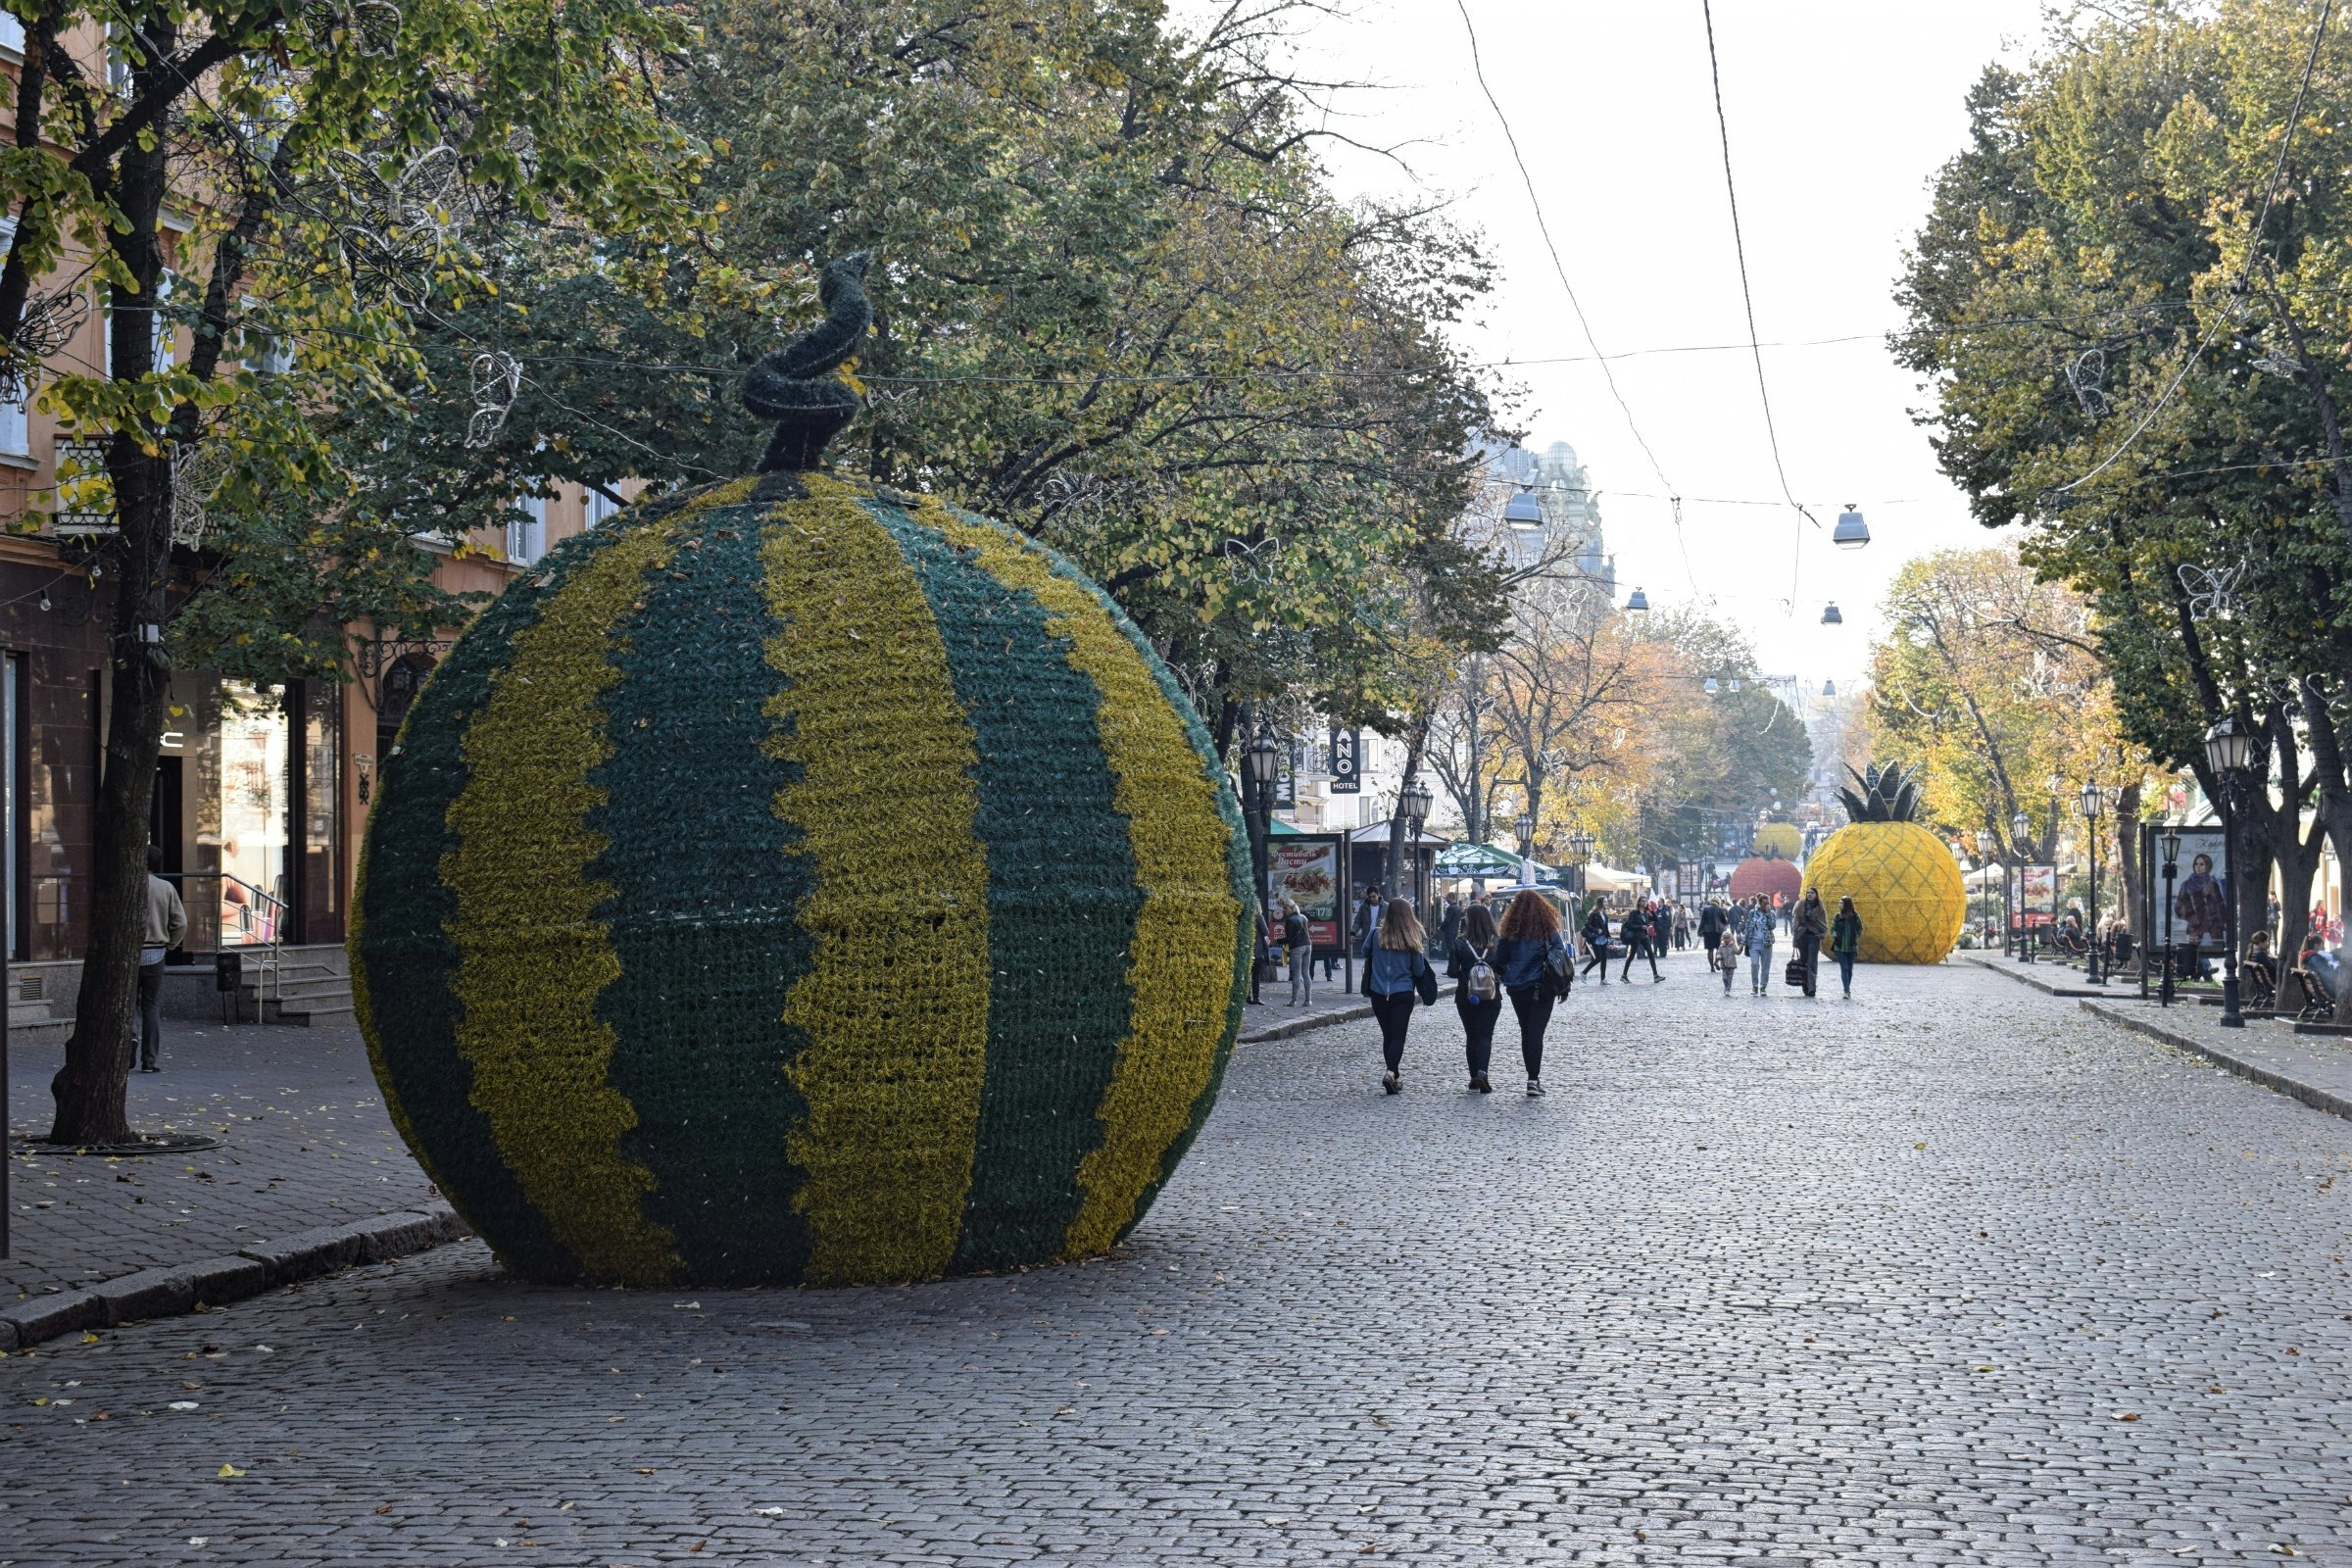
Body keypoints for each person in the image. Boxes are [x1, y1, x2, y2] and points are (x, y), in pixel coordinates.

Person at [1494, 890, 1570, 1096]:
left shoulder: (1510, 931)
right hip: (1542, 986)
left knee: (1526, 1031)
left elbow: (1499, 959)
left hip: (1518, 987)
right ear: (1542, 908)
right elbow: (1559, 957)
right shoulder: (1547, 929)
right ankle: (1532, 1079)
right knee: (1536, 1032)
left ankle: (1532, 1077)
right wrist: (1564, 987)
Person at [1366, 898, 1438, 1094]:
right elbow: (1418, 969)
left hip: (1379, 992)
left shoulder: (1375, 935)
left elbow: (1366, 951)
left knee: (1387, 1035)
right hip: (1402, 992)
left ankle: (1394, 1075)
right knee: (1398, 1036)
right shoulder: (1411, 938)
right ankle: (1391, 1072)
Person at [1446, 903, 1505, 1093]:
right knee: (1485, 1036)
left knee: (1471, 1036)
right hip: (1491, 995)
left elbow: (1452, 972)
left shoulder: (1460, 943)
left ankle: (1473, 1077)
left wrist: (1467, 973)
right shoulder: (1497, 942)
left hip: (1466, 996)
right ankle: (1482, 1072)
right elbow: (1504, 969)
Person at [139, 845, 187, 1073]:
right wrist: (170, 945)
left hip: (130, 955)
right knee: (150, 1007)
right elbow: (181, 923)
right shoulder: (165, 888)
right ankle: (149, 1060)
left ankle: (125, 1049)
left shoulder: (130, 886)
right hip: (156, 953)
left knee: (125, 1006)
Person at [2176, 853, 2227, 976]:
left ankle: (2204, 971)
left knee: (2220, 948)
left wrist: (2223, 920)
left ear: (2208, 866)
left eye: (2202, 864)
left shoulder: (2213, 884)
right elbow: (2179, 906)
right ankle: (2201, 971)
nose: (2199, 867)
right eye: (2197, 864)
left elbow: (2220, 904)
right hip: (2196, 924)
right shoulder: (2187, 884)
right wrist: (2191, 917)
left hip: (2213, 922)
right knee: (2193, 949)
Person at [1792, 888, 1829, 998]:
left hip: (1813, 937)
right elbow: (1795, 922)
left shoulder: (1820, 907)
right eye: (1808, 893)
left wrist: (1822, 933)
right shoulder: (1799, 905)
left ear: (1816, 895)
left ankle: (1812, 988)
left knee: (1812, 963)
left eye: (1812, 893)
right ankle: (1805, 986)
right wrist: (1794, 937)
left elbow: (1823, 922)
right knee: (1803, 962)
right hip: (1802, 936)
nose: (1809, 894)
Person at [1349, 887, 1384, 991]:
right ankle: (1367, 988)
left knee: (1380, 964)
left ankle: (1379, 987)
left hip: (1382, 940)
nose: (1372, 899)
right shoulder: (1364, 907)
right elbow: (1358, 921)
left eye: (1374, 896)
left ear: (1378, 895)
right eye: (1370, 897)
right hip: (1368, 939)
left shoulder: (1386, 907)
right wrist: (1352, 933)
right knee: (1368, 963)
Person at [1741, 895, 1777, 996]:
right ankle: (1755, 986)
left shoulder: (1772, 913)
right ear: (1759, 903)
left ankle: (1763, 987)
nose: (1766, 905)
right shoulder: (1753, 913)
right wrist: (1743, 943)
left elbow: (1772, 926)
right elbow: (1747, 928)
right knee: (1755, 964)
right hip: (1754, 943)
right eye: (1764, 903)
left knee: (1766, 967)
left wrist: (1769, 913)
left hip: (1766, 943)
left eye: (1768, 903)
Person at [1830, 896, 1863, 1000]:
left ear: (1847, 905)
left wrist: (1857, 934)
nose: (1839, 905)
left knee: (1849, 970)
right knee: (1844, 968)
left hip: (1851, 947)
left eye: (1841, 903)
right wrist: (1835, 934)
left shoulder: (1855, 916)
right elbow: (1832, 928)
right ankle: (1847, 991)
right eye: (1839, 903)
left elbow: (1860, 927)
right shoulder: (1837, 916)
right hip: (1840, 947)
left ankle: (1847, 988)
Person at [1282, 899, 1313, 1007]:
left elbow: (1289, 938)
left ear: (1289, 908)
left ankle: (1293, 1000)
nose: (1284, 911)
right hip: (1308, 946)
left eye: (1285, 909)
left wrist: (1277, 941)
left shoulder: (1290, 920)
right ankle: (1308, 1000)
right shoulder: (1303, 917)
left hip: (1297, 948)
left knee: (1296, 974)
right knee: (1306, 972)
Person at [1619, 900, 1659, 983]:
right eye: (1643, 901)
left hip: (1644, 936)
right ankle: (1624, 975)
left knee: (1651, 954)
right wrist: (1641, 927)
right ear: (1639, 903)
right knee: (1631, 956)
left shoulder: (1646, 913)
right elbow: (1629, 925)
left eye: (1646, 901)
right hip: (1636, 936)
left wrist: (1651, 910)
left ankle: (1656, 976)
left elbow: (1656, 919)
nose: (1645, 902)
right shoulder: (1634, 913)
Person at [2241, 928, 2278, 1010]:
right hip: (2270, 982)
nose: (2267, 944)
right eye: (2266, 942)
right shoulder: (2260, 954)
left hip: (2261, 981)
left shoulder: (2252, 951)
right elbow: (2272, 968)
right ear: (2261, 942)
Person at [1580, 901, 1613, 982]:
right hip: (1596, 938)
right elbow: (1587, 925)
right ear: (1600, 903)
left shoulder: (1605, 914)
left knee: (1604, 958)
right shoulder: (1594, 914)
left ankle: (1603, 979)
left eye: (1606, 902)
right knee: (1598, 958)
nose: (1606, 903)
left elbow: (1605, 926)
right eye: (1604, 901)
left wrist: (1608, 935)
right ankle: (1584, 972)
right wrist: (1596, 930)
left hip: (1604, 938)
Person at [1716, 912, 1741, 995]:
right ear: (1722, 938)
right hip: (1723, 964)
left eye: (1728, 938)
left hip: (1731, 964)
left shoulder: (1732, 945)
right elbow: (1718, 953)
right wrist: (1718, 959)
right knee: (1724, 977)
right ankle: (1726, 986)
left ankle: (1728, 988)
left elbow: (1737, 952)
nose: (1726, 939)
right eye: (1725, 938)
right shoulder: (1721, 946)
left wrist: (1741, 949)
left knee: (1730, 978)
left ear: (1731, 938)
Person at [1697, 899, 1726, 969]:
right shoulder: (1720, 909)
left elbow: (1702, 921)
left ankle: (1712, 967)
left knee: (1710, 950)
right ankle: (1716, 962)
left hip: (1707, 932)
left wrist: (1699, 930)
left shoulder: (1705, 909)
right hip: (1718, 931)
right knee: (1718, 949)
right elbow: (1724, 921)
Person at [1436, 893, 1464, 957]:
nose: (1446, 899)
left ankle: (1452, 960)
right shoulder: (1457, 907)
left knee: (1450, 947)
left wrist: (1441, 928)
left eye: (1447, 898)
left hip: (1449, 931)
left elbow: (1447, 921)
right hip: (1455, 930)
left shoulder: (1451, 908)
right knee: (1453, 946)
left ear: (1451, 897)